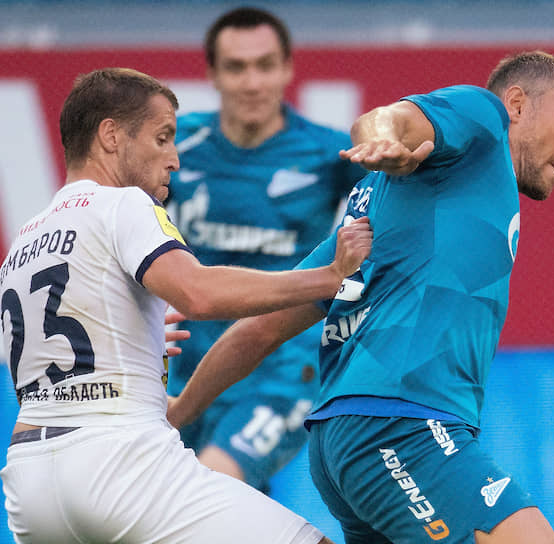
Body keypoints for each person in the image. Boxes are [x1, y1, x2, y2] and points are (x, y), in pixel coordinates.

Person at [169, 51, 554, 543]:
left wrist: (180, 410)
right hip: (400, 426)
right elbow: (386, 119)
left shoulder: (372, 215)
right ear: (517, 104)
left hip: (344, 440)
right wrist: (385, 138)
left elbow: (261, 328)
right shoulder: (486, 115)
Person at [0, 68, 371, 543]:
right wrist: (330, 276)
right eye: (162, 138)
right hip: (116, 459)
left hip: (30, 482)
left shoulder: (25, 241)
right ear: (111, 136)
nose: (174, 159)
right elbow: (198, 293)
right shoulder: (123, 204)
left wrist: (138, 339)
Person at [164, 6, 366, 492]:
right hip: (183, 370)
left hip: (281, 369)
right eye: (236, 67)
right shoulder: (173, 144)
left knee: (209, 486)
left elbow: (406, 205)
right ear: (213, 74)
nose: (252, 83)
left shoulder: (330, 153)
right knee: (179, 507)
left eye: (265, 65)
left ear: (287, 68)